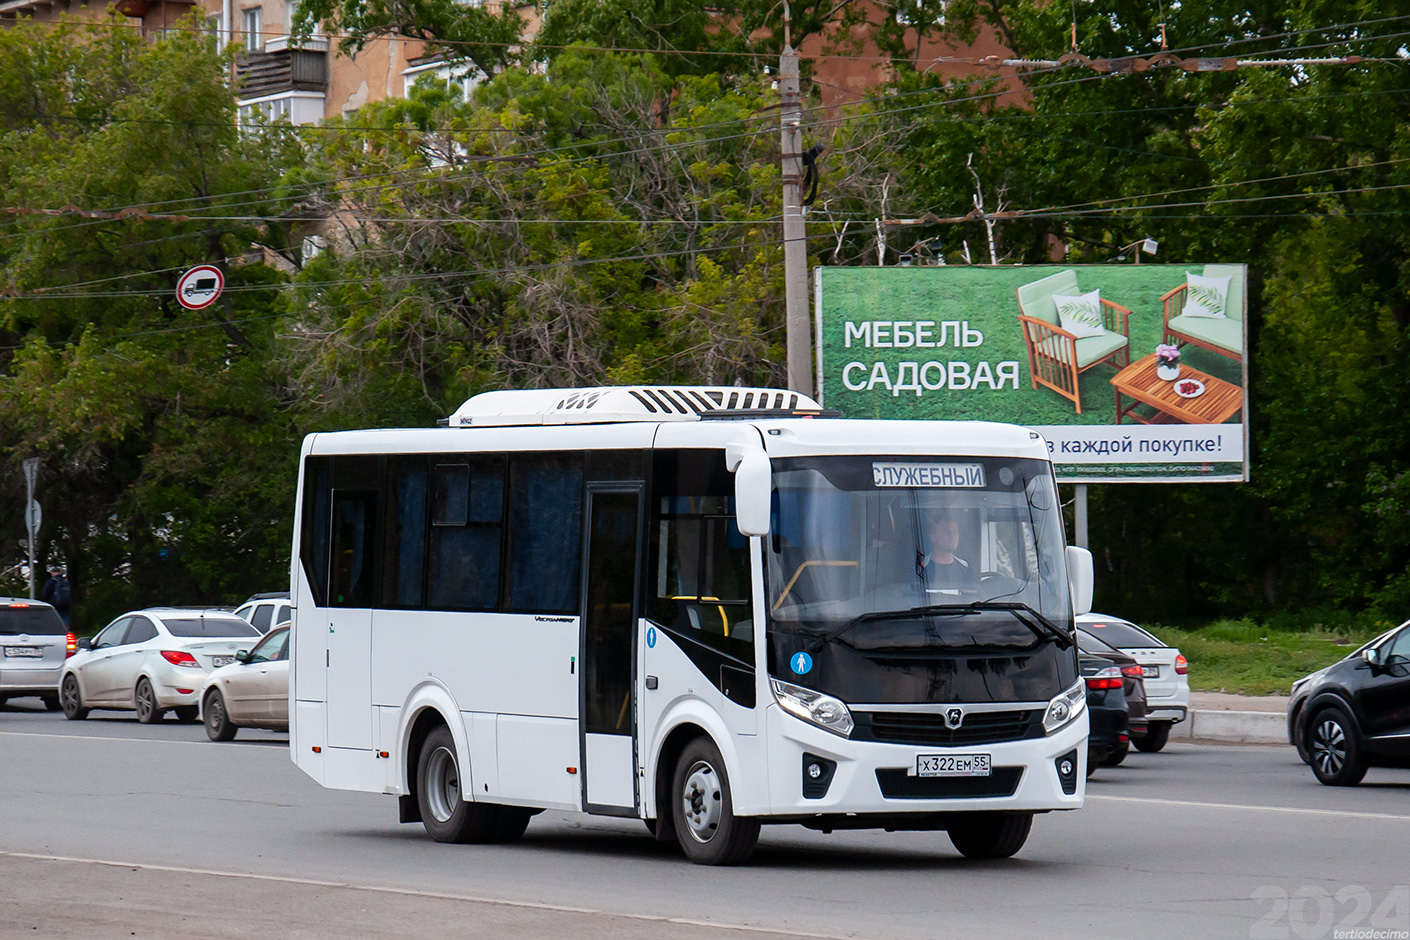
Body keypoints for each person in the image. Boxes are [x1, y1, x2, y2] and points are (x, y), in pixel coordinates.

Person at [920, 515, 975, 590]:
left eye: (955, 532)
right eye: (947, 532)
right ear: (933, 537)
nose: (952, 536)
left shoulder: (966, 568)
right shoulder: (921, 568)